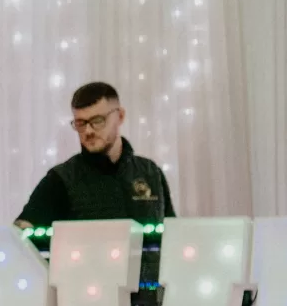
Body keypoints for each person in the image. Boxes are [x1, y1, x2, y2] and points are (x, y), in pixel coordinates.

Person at [15, 81, 176, 229]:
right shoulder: (61, 179)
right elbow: (22, 233)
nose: (88, 131)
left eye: (97, 121)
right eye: (80, 123)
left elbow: (172, 237)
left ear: (120, 116)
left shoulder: (151, 173)